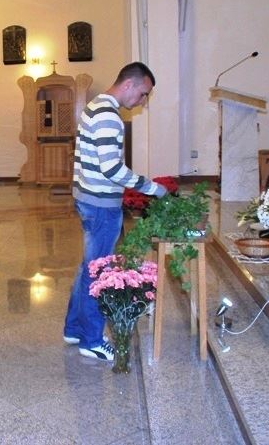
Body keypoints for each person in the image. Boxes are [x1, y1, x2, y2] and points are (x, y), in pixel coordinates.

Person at [63, 62, 167, 362]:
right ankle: (92, 340)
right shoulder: (109, 115)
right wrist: (152, 188)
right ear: (129, 84)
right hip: (101, 205)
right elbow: (112, 169)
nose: (143, 101)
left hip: (88, 198)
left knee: (88, 267)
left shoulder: (95, 105)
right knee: (98, 272)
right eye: (143, 94)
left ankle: (74, 328)